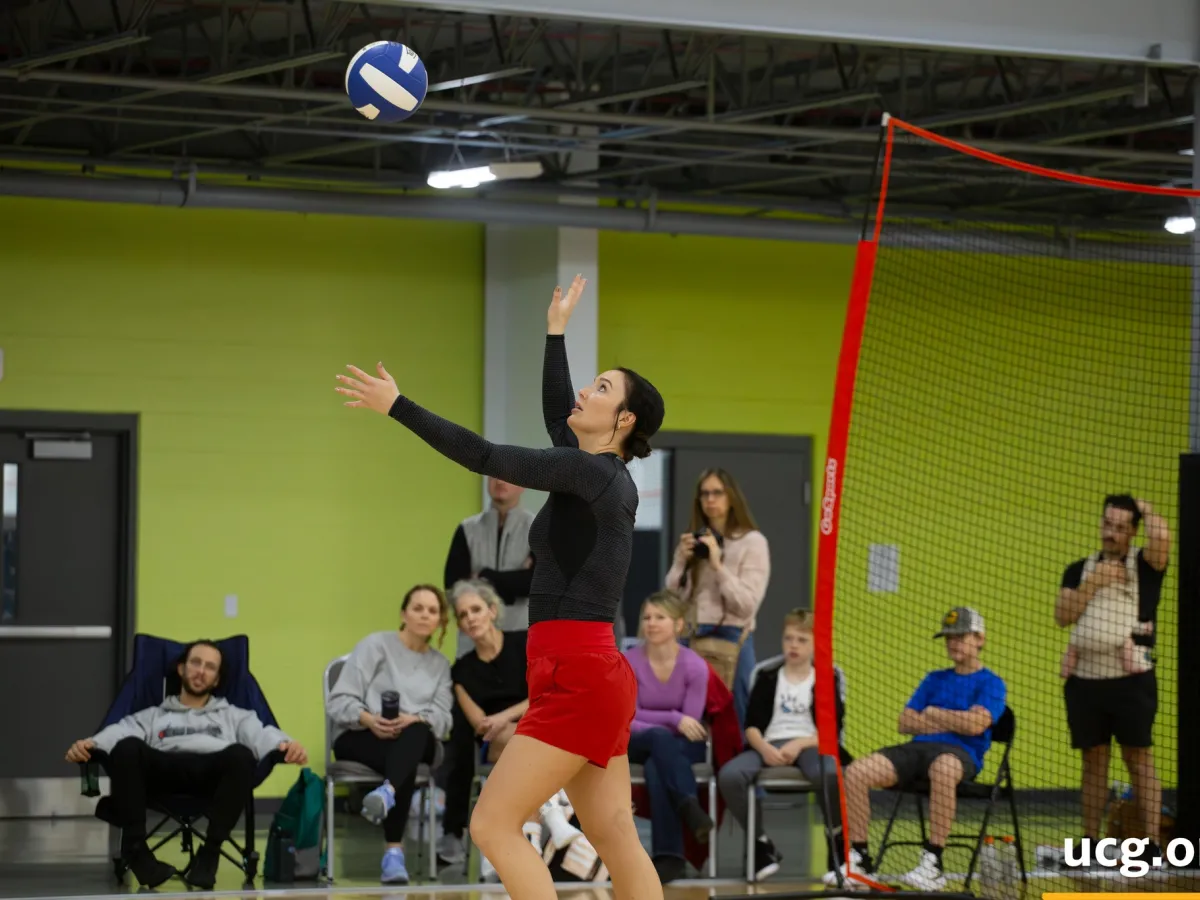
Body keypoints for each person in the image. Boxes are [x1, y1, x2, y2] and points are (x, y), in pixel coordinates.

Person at [335, 274, 667, 900]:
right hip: (588, 669)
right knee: (615, 832)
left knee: (492, 824)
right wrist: (554, 331)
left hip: (578, 672)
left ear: (623, 418)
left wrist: (397, 407)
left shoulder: (592, 474)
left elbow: (486, 454)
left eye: (599, 387)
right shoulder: (595, 474)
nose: (583, 391)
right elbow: (556, 420)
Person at [64, 640, 307, 890]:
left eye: (210, 667)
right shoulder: (154, 715)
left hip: (212, 777)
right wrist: (89, 745)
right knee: (127, 747)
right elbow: (117, 731)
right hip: (161, 775)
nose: (201, 671)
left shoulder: (235, 715)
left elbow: (263, 734)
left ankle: (209, 855)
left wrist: (287, 744)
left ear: (216, 679)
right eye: (195, 662)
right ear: (181, 669)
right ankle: (135, 849)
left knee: (242, 755)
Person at [832, 607, 1006, 891]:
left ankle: (933, 863)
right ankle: (861, 859)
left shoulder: (991, 683)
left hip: (960, 756)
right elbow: (905, 721)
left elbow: (976, 725)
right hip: (916, 752)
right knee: (856, 771)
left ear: (980, 639)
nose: (953, 643)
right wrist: (952, 719)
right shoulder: (934, 678)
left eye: (960, 636)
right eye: (949, 637)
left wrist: (934, 714)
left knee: (943, 767)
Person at [1055, 494, 1169, 861]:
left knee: (1139, 758)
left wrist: (1147, 509)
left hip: (1130, 680)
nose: (1111, 533)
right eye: (1107, 524)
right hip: (1085, 681)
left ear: (1133, 531)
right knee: (1093, 760)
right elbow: (1062, 615)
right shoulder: (1079, 569)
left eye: (1121, 527)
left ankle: (1151, 845)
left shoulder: (1146, 565)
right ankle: (1091, 844)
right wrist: (1095, 582)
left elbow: (1163, 540)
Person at [326, 584, 455, 884]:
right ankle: (393, 851)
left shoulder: (440, 665)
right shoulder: (375, 646)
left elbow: (444, 717)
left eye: (432, 610)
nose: (425, 615)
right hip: (363, 733)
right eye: (418, 608)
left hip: (415, 737)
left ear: (440, 620)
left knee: (416, 733)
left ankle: (387, 794)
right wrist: (369, 719)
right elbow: (339, 700)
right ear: (403, 613)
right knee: (403, 761)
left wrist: (413, 718)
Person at [718, 608, 848, 882]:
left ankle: (836, 845)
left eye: (802, 640)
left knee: (827, 773)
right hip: (769, 743)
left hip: (812, 742)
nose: (793, 646)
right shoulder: (766, 675)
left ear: (815, 644)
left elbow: (831, 732)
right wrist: (764, 748)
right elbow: (751, 726)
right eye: (789, 639)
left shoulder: (827, 677)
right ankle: (760, 845)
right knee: (730, 775)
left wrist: (800, 744)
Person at [665, 467, 770, 726]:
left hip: (733, 638)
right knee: (690, 719)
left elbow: (746, 606)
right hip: (693, 636)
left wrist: (717, 566)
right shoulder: (699, 539)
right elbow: (673, 601)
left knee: (736, 717)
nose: (710, 499)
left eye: (717, 493)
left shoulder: (752, 542)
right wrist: (680, 562)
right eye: (704, 494)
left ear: (731, 496)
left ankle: (733, 766)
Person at [623, 590, 714, 883]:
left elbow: (693, 723)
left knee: (656, 766)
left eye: (659, 617)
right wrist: (674, 718)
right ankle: (688, 805)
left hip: (680, 747)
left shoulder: (695, 666)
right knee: (660, 738)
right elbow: (628, 717)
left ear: (678, 624)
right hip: (634, 740)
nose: (651, 623)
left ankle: (669, 858)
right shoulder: (629, 661)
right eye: (647, 617)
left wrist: (676, 722)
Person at [440, 579, 530, 867]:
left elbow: (546, 695)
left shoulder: (525, 643)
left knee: (533, 738)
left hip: (533, 732)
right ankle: (546, 821)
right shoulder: (462, 671)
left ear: (492, 610)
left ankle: (529, 830)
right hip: (494, 743)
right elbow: (481, 724)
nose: (470, 619)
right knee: (516, 738)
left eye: (476, 610)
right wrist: (504, 722)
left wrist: (505, 715)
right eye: (463, 615)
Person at [444, 477, 535, 656]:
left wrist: (484, 576)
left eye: (508, 476)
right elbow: (453, 586)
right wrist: (517, 579)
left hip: (522, 637)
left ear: (523, 484)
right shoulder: (467, 529)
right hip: (473, 643)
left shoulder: (538, 529)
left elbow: (538, 583)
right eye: (493, 475)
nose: (500, 481)